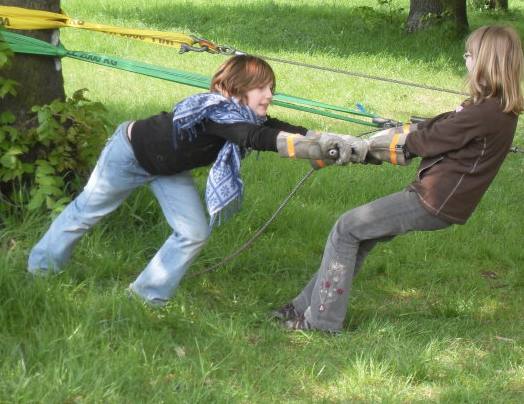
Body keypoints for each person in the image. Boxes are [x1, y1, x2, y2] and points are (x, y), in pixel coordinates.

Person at [28, 54, 363, 306]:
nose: (269, 94)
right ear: (234, 88)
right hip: (128, 155)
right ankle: (40, 274)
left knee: (193, 232)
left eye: (271, 88)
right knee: (86, 212)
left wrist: (327, 138)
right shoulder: (216, 111)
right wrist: (310, 146)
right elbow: (254, 137)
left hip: (167, 170)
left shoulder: (242, 114)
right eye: (261, 87)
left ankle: (146, 298)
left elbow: (276, 128)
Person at [271, 25, 524, 332]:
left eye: (469, 54)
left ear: (486, 62)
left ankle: (322, 322)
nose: (465, 60)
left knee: (347, 228)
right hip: (437, 197)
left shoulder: (485, 113)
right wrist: (404, 128)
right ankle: (301, 308)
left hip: (433, 200)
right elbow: (442, 123)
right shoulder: (491, 108)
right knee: (357, 238)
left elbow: (427, 141)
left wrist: (370, 147)